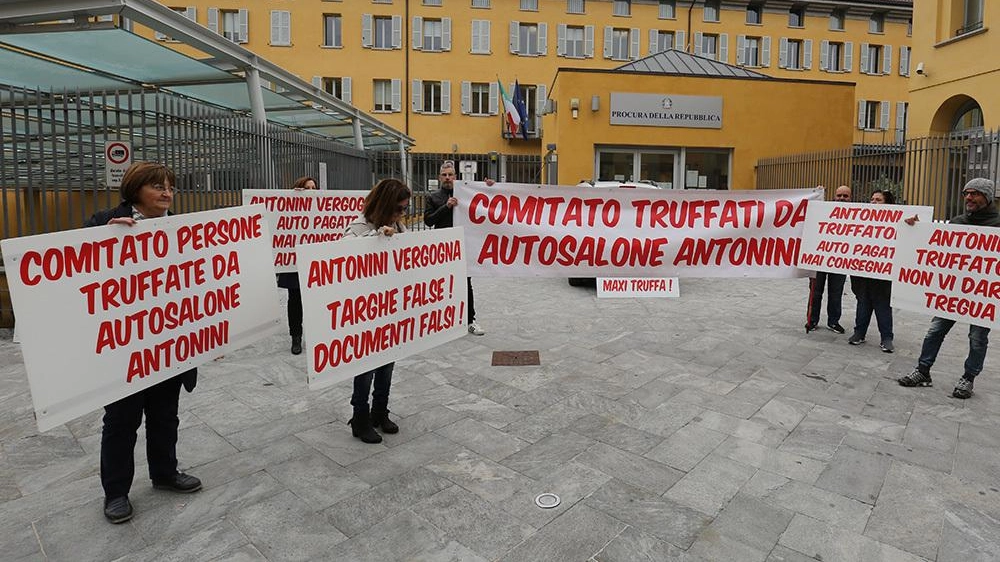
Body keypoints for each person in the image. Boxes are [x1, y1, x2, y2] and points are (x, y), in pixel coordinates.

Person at [84, 162, 201, 524]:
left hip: (167, 340)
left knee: (165, 414)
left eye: (170, 187)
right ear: (135, 189)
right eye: (157, 186)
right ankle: (116, 492)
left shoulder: (179, 227)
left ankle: (165, 473)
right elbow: (76, 267)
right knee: (122, 420)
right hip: (125, 346)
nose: (167, 193)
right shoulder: (103, 222)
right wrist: (103, 238)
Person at [898, 177, 1000, 398]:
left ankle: (968, 378)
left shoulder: (998, 224)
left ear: (988, 197)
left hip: (983, 295)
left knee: (977, 338)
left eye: (975, 193)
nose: (969, 198)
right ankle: (923, 371)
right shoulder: (957, 222)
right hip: (953, 292)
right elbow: (933, 247)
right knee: (935, 331)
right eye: (966, 193)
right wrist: (915, 229)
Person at [343, 178, 410, 443]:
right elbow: (343, 256)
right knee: (366, 367)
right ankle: (360, 417)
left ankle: (380, 410)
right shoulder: (358, 227)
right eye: (399, 208)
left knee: (387, 364)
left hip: (390, 307)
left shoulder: (398, 226)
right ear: (385, 205)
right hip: (366, 311)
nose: (402, 214)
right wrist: (376, 237)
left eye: (404, 209)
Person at [424, 160, 486, 336]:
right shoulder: (433, 197)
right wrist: (446, 207)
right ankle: (442, 321)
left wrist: (489, 185)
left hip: (463, 245)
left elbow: (485, 201)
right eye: (444, 175)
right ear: (439, 177)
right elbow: (428, 221)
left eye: (450, 174)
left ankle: (470, 320)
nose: (447, 178)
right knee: (441, 285)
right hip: (442, 248)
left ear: (456, 177)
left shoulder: (466, 194)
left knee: (466, 283)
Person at [848, 189, 896, 352]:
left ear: (888, 204)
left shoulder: (896, 221)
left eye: (878, 200)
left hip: (883, 272)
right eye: (872, 199)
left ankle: (887, 338)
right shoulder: (860, 220)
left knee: (882, 303)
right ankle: (859, 333)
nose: (873, 202)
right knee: (863, 301)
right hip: (862, 270)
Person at [276, 176, 318, 355]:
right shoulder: (289, 205)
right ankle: (296, 337)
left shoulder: (320, 206)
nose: (311, 191)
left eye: (313, 188)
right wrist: (293, 198)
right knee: (295, 300)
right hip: (294, 262)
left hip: (314, 260)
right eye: (307, 188)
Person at [805, 185, 851, 334]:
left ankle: (833, 321)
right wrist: (817, 194)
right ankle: (812, 320)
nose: (841, 199)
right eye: (839, 195)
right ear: (834, 196)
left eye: (845, 196)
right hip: (819, 259)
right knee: (815, 291)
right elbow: (810, 210)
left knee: (836, 293)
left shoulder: (857, 214)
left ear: (850, 198)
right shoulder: (824, 208)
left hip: (840, 260)